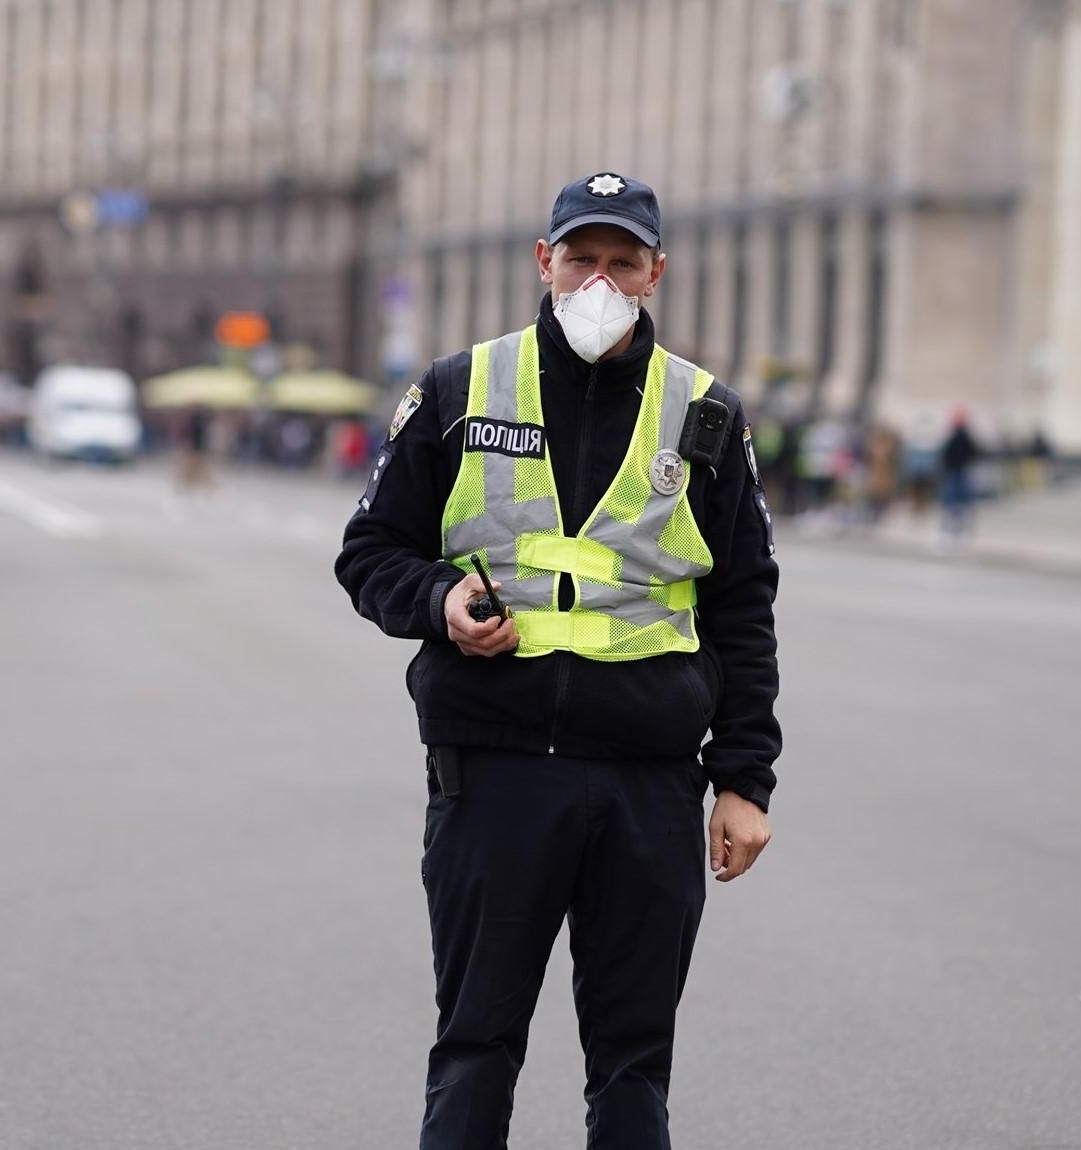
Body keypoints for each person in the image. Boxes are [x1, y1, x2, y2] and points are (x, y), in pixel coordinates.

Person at [334, 173, 779, 1150]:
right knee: (476, 1046)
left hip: (648, 787)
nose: (599, 281)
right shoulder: (459, 390)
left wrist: (744, 781)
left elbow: (743, 605)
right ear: (545, 262)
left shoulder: (707, 414)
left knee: (631, 1066)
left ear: (657, 273)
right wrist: (442, 601)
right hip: (494, 775)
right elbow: (369, 552)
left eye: (624, 262)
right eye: (582, 257)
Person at [939, 408, 980, 539]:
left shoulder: (959, 437)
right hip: (958, 471)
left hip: (957, 471)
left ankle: (955, 527)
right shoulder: (963, 436)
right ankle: (958, 527)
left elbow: (946, 454)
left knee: (955, 500)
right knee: (959, 501)